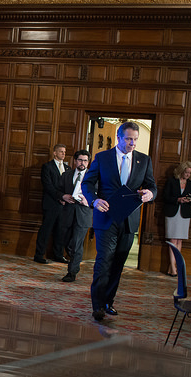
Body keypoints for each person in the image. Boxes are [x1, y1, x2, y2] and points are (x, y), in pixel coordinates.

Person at [82, 121, 157, 321]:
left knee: (118, 263)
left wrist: (150, 193)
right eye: (129, 139)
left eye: (135, 140)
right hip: (105, 218)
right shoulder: (102, 157)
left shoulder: (144, 160)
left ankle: (108, 302)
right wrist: (94, 200)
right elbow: (87, 183)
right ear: (119, 138)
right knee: (104, 260)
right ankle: (97, 305)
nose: (132, 143)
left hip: (128, 220)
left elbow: (152, 186)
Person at [59, 149, 93, 282]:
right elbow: (58, 190)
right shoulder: (66, 175)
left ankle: (72, 272)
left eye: (85, 160)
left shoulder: (93, 176)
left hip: (83, 215)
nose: (82, 163)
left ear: (88, 162)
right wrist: (63, 196)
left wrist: (88, 201)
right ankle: (72, 263)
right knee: (67, 242)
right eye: (80, 160)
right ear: (75, 161)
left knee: (76, 243)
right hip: (67, 213)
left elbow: (100, 193)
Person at [34, 144, 71, 264]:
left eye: (64, 152)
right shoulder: (47, 167)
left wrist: (65, 198)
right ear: (54, 153)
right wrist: (60, 197)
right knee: (46, 229)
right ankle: (39, 255)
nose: (63, 154)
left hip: (64, 205)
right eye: (61, 152)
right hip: (51, 204)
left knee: (61, 231)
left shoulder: (68, 168)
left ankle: (58, 255)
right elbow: (48, 186)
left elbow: (69, 185)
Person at [163, 161, 191, 276]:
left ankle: (172, 267)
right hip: (172, 213)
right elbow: (165, 197)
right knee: (172, 240)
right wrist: (178, 199)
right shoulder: (172, 181)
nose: (187, 175)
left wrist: (190, 200)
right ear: (181, 171)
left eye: (189, 173)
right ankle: (173, 267)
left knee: (179, 240)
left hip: (184, 214)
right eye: (186, 172)